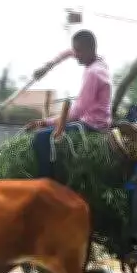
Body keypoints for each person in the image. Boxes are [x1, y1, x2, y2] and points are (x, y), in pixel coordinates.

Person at [26, 29, 112, 179]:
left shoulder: (93, 73)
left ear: (90, 49)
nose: (75, 54)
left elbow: (74, 113)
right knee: (49, 132)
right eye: (75, 50)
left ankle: (47, 183)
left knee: (41, 137)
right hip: (96, 120)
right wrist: (48, 65)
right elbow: (68, 53)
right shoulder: (98, 60)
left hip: (92, 126)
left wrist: (44, 122)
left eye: (78, 51)